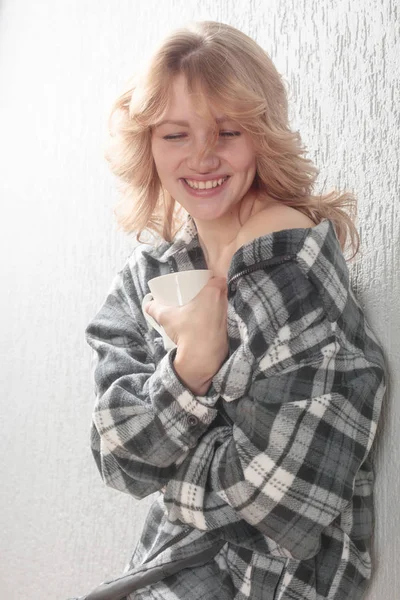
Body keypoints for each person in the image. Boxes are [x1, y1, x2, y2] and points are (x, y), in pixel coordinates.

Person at [72, 20, 387, 600]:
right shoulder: (148, 276)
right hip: (166, 571)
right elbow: (117, 457)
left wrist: (171, 469)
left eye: (227, 131)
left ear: (262, 134)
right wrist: (192, 366)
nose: (202, 157)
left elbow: (287, 502)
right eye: (175, 135)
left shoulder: (292, 266)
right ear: (147, 145)